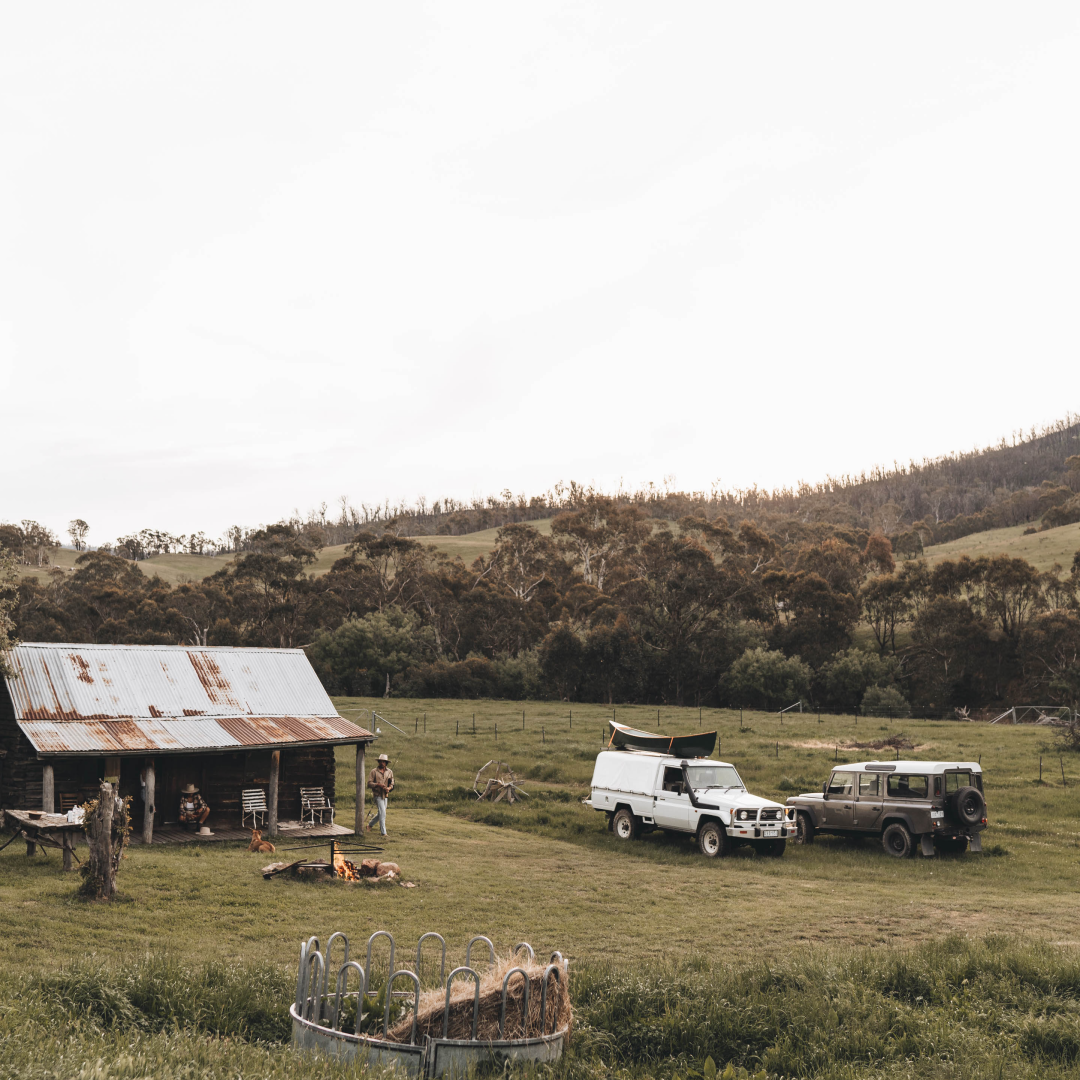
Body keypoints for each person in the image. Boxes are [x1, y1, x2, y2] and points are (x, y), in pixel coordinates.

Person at [367, 753, 394, 836]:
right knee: (383, 813)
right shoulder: (373, 771)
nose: (382, 763)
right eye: (380, 761)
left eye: (383, 762)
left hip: (385, 795)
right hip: (377, 795)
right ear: (378, 762)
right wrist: (378, 785)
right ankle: (383, 833)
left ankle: (370, 825)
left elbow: (392, 783)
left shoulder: (390, 772)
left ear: (386, 763)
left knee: (381, 813)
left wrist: (388, 788)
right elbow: (369, 783)